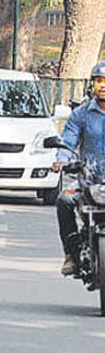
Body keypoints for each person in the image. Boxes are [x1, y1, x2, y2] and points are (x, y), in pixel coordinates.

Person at [52, 61, 105, 275]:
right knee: (64, 200)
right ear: (92, 85)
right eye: (99, 81)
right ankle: (71, 255)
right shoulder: (81, 114)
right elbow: (68, 140)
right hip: (88, 179)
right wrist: (61, 160)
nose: (103, 86)